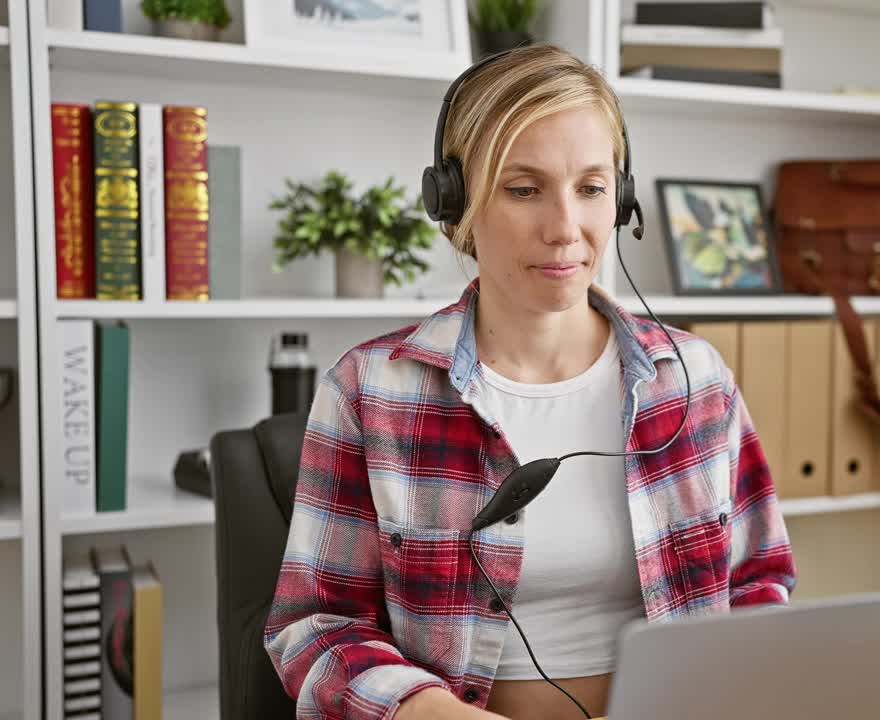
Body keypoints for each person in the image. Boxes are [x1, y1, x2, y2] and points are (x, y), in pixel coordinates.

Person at [264, 43, 796, 720]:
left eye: (592, 188)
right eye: (524, 189)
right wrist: (432, 714)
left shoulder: (694, 380)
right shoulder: (370, 391)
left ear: (621, 199)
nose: (565, 229)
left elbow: (760, 581)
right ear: (454, 203)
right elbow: (315, 627)